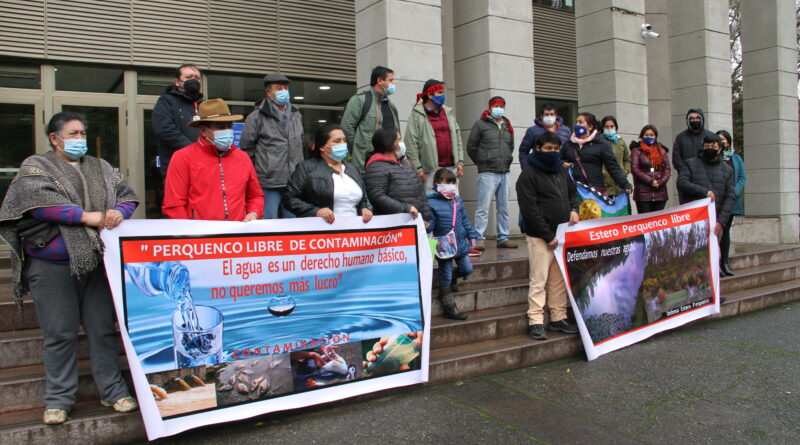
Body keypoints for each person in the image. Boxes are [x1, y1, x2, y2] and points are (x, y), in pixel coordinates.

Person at [0, 112, 139, 425]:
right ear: (55, 138)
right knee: (60, 333)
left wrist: (118, 211)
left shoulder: (101, 167)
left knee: (102, 330)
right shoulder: (35, 167)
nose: (80, 139)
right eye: (73, 134)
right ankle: (59, 400)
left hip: (97, 263)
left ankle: (113, 390)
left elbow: (128, 196)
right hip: (52, 267)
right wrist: (85, 217)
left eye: (82, 134)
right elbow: (37, 203)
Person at [516, 131, 580, 340]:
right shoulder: (528, 174)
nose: (552, 152)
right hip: (540, 237)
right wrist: (547, 235)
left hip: (561, 235)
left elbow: (572, 193)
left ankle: (558, 317)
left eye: (556, 149)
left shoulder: (561, 170)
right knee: (539, 280)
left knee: (558, 280)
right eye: (548, 149)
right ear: (538, 149)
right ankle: (535, 320)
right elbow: (529, 209)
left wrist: (574, 209)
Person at [163, 98, 264, 221]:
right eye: (220, 127)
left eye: (229, 126)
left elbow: (255, 196)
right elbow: (174, 203)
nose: (227, 131)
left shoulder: (242, 158)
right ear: (203, 130)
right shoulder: (183, 157)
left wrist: (253, 213)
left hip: (237, 232)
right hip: (200, 235)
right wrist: (188, 232)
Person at [239, 73, 304, 219]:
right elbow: (246, 149)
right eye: (279, 88)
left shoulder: (296, 114)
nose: (284, 91)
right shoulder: (255, 117)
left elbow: (300, 143)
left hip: (293, 183)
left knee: (292, 225)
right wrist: (258, 175)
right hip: (268, 183)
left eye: (286, 88)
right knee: (268, 223)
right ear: (268, 92)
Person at [283, 124, 373, 223]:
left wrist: (364, 208)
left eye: (344, 140)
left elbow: (363, 199)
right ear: (322, 147)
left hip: (354, 232)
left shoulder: (352, 168)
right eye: (337, 141)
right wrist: (316, 211)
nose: (343, 144)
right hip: (322, 232)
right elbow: (289, 198)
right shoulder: (306, 168)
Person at [427, 168, 479, 321]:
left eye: (452, 183)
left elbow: (464, 220)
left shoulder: (457, 200)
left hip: (461, 244)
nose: (450, 187)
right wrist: (426, 225)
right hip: (444, 246)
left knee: (467, 269)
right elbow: (431, 224)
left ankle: (453, 280)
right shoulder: (431, 202)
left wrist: (472, 234)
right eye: (446, 183)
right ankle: (449, 306)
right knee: (446, 274)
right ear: (437, 184)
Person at [466, 96, 517, 250]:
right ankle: (479, 239)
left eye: (501, 105)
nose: (499, 108)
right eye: (496, 105)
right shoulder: (480, 124)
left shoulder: (507, 125)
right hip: (488, 172)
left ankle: (503, 237)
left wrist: (506, 159)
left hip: (504, 171)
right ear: (489, 107)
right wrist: (482, 162)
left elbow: (510, 146)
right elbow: (471, 147)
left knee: (504, 208)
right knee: (483, 207)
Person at [405, 79, 464, 191]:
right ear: (430, 95)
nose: (443, 95)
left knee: (452, 204)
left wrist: (460, 162)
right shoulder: (417, 115)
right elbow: (411, 143)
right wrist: (418, 169)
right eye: (440, 93)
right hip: (430, 171)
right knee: (431, 204)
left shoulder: (448, 112)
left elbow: (458, 138)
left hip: (451, 168)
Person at [677, 134, 735, 247]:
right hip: (694, 219)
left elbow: (730, 196)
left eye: (713, 147)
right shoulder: (690, 164)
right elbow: (682, 182)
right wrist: (704, 192)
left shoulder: (727, 170)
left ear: (720, 149)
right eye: (707, 146)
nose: (709, 149)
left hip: (715, 219)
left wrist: (721, 222)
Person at [364, 128, 432, 224]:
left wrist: (425, 216)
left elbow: (420, 190)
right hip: (392, 226)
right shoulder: (376, 166)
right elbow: (377, 196)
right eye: (399, 139)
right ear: (390, 144)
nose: (402, 142)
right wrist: (405, 208)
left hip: (413, 221)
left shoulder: (405, 163)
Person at [340, 66, 400, 173]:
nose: (393, 83)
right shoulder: (360, 100)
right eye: (390, 80)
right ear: (380, 81)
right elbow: (346, 128)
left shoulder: (390, 105)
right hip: (365, 165)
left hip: (389, 165)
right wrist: (358, 150)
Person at [560, 112, 632, 195]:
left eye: (580, 122)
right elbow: (559, 159)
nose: (577, 125)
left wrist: (626, 185)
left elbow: (613, 167)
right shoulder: (569, 143)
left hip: (594, 191)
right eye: (576, 122)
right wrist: (562, 163)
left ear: (590, 127)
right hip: (573, 190)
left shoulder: (601, 144)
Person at [153, 64, 204, 178]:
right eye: (189, 77)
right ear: (177, 82)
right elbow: (164, 129)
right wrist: (192, 150)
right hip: (177, 168)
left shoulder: (203, 104)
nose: (193, 80)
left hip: (202, 167)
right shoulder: (166, 101)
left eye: (197, 78)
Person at [716, 129, 746, 277]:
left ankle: (725, 263)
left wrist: (735, 191)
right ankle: (716, 263)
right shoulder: (714, 158)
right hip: (718, 201)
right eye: (719, 139)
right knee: (716, 232)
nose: (722, 141)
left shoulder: (736, 158)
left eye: (724, 139)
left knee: (726, 232)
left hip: (732, 201)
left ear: (728, 141)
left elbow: (742, 177)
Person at [672, 108, 715, 203]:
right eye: (691, 118)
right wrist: (686, 173)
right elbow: (676, 159)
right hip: (686, 182)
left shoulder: (710, 136)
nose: (694, 120)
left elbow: (714, 157)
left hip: (706, 181)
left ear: (702, 119)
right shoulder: (680, 137)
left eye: (697, 118)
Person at [630, 125, 671, 213]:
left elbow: (667, 169)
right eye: (646, 135)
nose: (649, 137)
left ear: (655, 136)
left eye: (652, 135)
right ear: (642, 136)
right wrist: (650, 180)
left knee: (657, 221)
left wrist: (660, 182)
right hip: (642, 193)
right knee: (644, 221)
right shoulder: (636, 150)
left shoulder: (662, 150)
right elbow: (635, 169)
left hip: (660, 192)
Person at [518, 102, 572, 167]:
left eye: (552, 114)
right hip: (539, 169)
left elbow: (569, 151)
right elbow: (523, 151)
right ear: (541, 116)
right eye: (546, 114)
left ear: (556, 115)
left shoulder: (566, 130)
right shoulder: (532, 131)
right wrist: (526, 167)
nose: (549, 116)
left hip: (560, 169)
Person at [600, 115, 632, 200]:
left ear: (616, 127)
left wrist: (625, 171)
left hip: (619, 183)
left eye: (612, 126)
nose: (609, 129)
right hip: (604, 183)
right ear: (602, 127)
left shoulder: (620, 141)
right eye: (606, 126)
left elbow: (627, 159)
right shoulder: (599, 141)